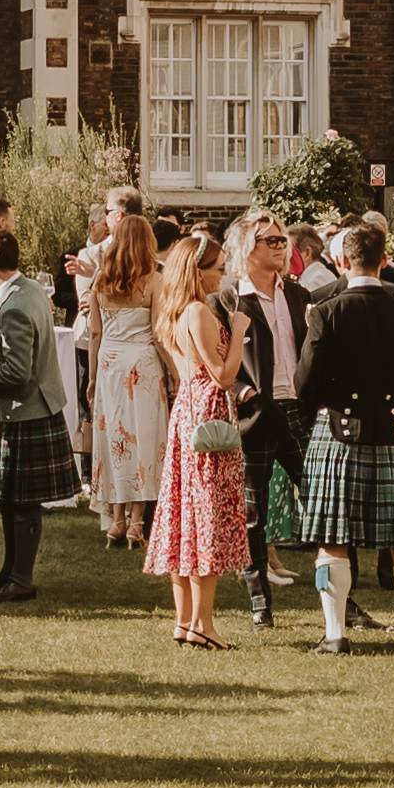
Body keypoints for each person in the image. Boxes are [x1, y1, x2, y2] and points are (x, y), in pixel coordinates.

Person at [294, 218, 394, 652]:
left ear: (342, 259)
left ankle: (336, 635)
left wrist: (315, 415)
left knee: (333, 539)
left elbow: (306, 380)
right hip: (390, 432)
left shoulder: (325, 311)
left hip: (337, 431)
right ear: (383, 260)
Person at [141, 231, 248, 649]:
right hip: (208, 410)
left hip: (186, 410)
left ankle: (185, 621)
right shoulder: (199, 313)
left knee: (183, 515)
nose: (223, 275)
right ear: (198, 272)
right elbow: (223, 374)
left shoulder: (174, 313)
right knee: (209, 517)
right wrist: (237, 332)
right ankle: (203, 624)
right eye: (218, 268)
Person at [0, 226, 73, 605]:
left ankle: (20, 579)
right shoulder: (29, 289)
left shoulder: (12, 306)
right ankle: (11, 572)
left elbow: (15, 373)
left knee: (21, 503)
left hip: (27, 411)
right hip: (35, 408)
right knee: (15, 501)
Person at [227, 215, 317, 630]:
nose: (283, 247)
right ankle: (259, 601)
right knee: (253, 514)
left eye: (284, 240)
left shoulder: (298, 295)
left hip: (298, 410)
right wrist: (243, 392)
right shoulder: (229, 299)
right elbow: (214, 353)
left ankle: (342, 598)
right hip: (257, 415)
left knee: (321, 502)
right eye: (273, 240)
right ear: (249, 246)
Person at [78, 213, 170, 549]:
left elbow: (95, 332)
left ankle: (115, 520)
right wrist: (174, 371)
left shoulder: (101, 279)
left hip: (110, 363)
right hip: (143, 362)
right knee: (144, 438)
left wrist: (91, 376)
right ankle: (136, 523)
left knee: (114, 437)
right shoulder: (154, 281)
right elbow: (159, 334)